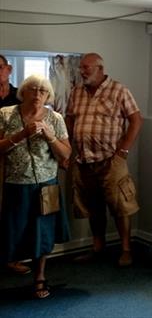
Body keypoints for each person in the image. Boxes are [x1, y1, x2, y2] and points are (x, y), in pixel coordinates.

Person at [66, 53, 142, 267]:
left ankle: (126, 250)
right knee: (93, 207)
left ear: (100, 68)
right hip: (83, 161)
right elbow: (70, 118)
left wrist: (123, 151)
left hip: (111, 161)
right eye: (81, 67)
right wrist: (71, 143)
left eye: (86, 67)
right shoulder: (76, 92)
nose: (82, 71)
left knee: (120, 207)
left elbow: (136, 120)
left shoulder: (119, 90)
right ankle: (98, 248)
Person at [0, 75, 72, 299]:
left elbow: (66, 154)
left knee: (43, 233)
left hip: (46, 186)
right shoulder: (6, 114)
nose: (38, 95)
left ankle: (39, 277)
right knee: (12, 233)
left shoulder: (56, 118)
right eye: (34, 90)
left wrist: (50, 137)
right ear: (24, 92)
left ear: (48, 95)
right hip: (16, 184)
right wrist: (23, 134)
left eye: (43, 91)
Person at [0, 54, 31, 275]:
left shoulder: (19, 97)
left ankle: (11, 258)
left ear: (8, 69)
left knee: (11, 213)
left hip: (13, 163)